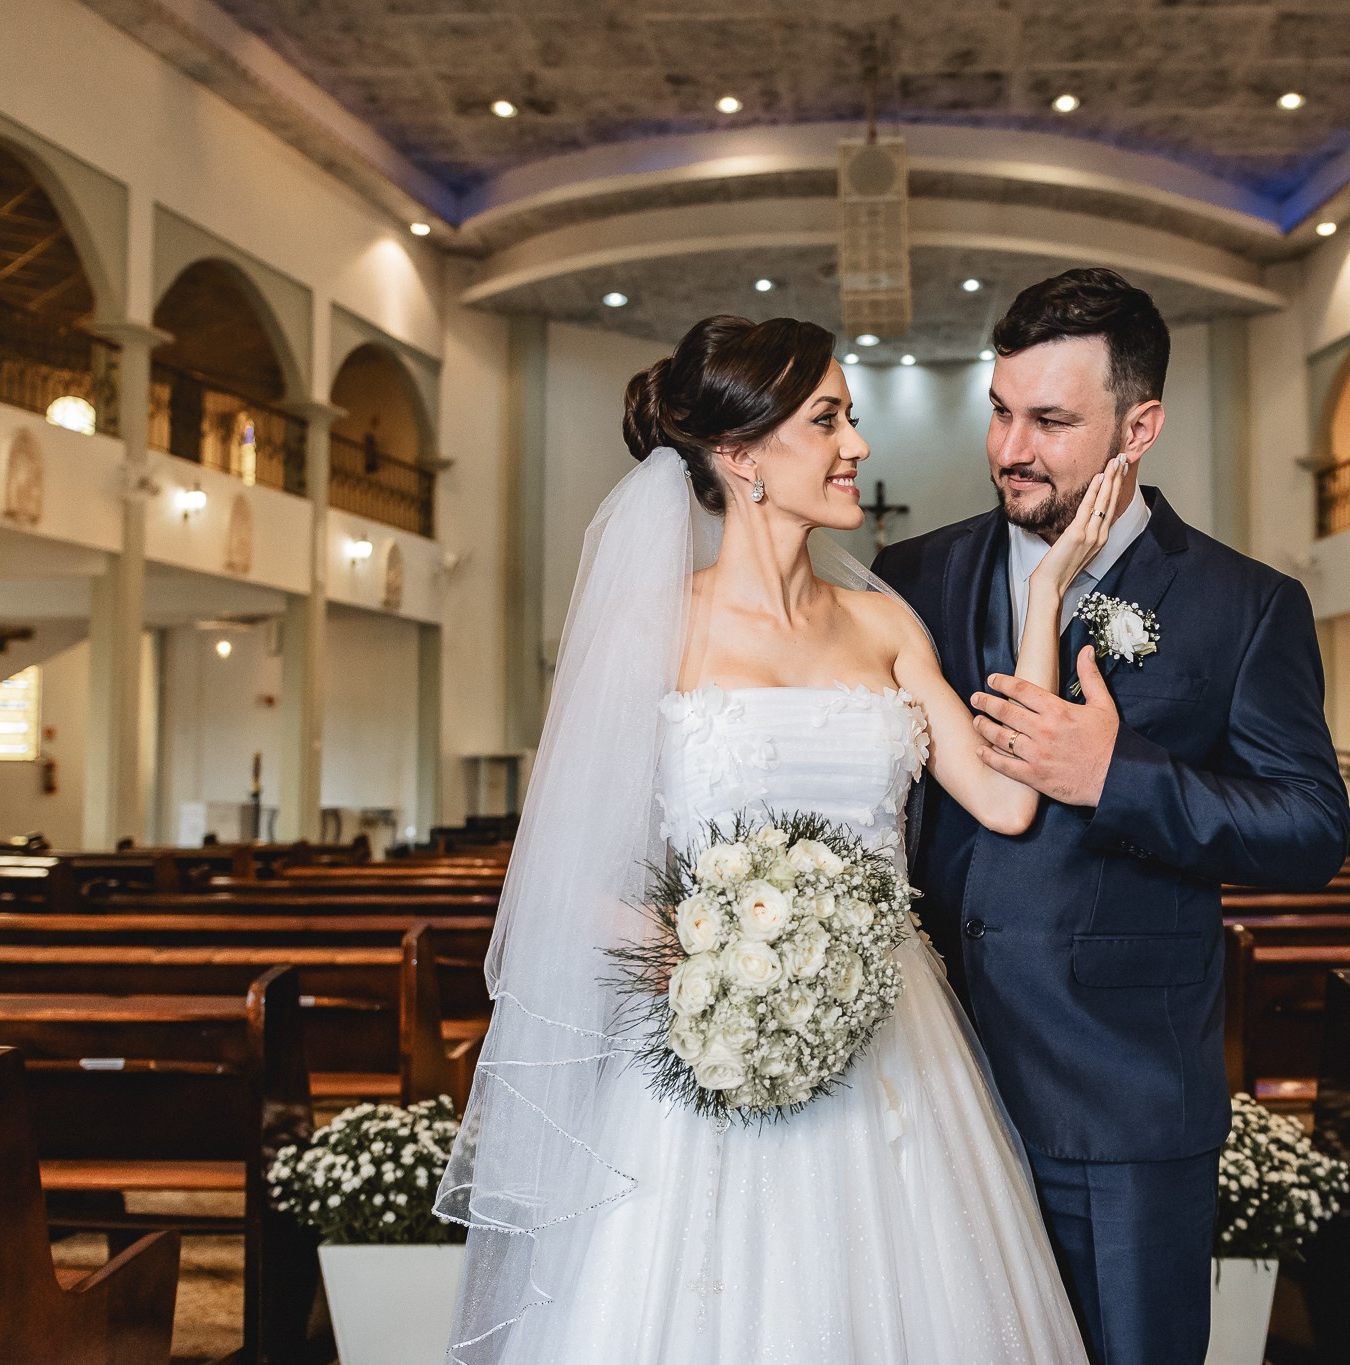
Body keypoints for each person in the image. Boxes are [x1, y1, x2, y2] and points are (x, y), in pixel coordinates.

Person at [436, 314, 1111, 1362]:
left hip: (892, 1038)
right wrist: (707, 960)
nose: (858, 446)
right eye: (827, 420)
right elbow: (567, 865)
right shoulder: (650, 627)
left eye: (850, 418)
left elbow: (1005, 802)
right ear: (742, 457)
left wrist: (1044, 592)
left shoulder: (884, 629)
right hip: (709, 1039)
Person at [875, 268, 1350, 1365]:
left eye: (1050, 420)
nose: (1009, 448)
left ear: (1138, 427)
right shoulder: (910, 576)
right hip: (922, 1079)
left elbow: (1309, 828)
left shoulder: (1243, 605)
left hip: (1118, 1100)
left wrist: (1116, 775)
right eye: (998, 410)